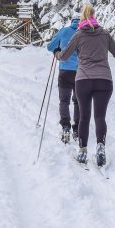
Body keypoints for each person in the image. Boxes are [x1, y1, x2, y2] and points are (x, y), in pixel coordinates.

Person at [56, 2, 115, 167]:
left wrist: (57, 54)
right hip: (104, 80)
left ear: (82, 18)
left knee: (85, 117)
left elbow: (64, 55)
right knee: (100, 117)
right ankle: (100, 146)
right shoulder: (105, 34)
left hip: (83, 80)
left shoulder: (79, 35)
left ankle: (83, 151)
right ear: (94, 17)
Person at [47, 11, 81, 143]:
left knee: (64, 101)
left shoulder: (64, 31)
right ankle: (77, 129)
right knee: (78, 101)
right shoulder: (85, 33)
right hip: (80, 72)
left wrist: (57, 51)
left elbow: (50, 46)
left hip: (65, 71)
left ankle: (65, 126)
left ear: (72, 21)